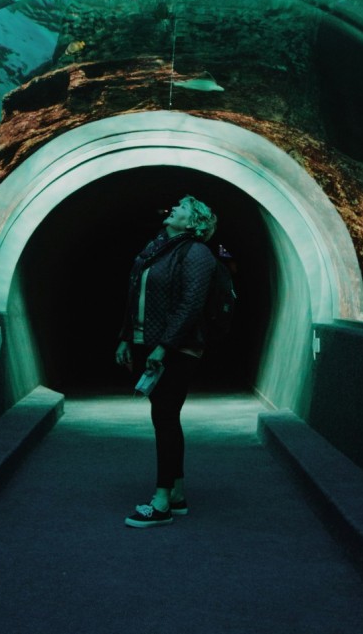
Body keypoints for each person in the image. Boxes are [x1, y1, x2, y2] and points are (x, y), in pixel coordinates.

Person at [115, 195, 218, 528]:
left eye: (182, 208)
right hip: (151, 342)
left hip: (179, 347)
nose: (173, 208)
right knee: (165, 416)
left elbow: (191, 305)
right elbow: (136, 294)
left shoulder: (197, 253)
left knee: (165, 416)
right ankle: (176, 494)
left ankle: (160, 503)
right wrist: (127, 336)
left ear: (193, 222)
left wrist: (164, 347)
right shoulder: (158, 249)